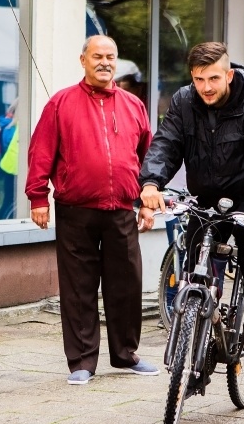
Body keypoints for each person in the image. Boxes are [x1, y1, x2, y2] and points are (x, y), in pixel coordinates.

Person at [25, 35, 157, 385]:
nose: (105, 62)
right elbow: (41, 152)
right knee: (79, 286)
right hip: (76, 209)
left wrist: (146, 200)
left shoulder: (133, 106)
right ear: (83, 60)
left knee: (127, 284)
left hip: (121, 210)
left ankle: (126, 355)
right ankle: (82, 361)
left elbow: (147, 159)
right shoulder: (60, 104)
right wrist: (38, 197)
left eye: (110, 57)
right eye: (97, 56)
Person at [139, 41, 244, 335]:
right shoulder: (184, 101)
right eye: (199, 79)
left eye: (213, 78)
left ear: (229, 75)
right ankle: (199, 321)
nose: (206, 87)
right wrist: (151, 183)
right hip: (205, 194)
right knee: (197, 257)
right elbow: (166, 144)